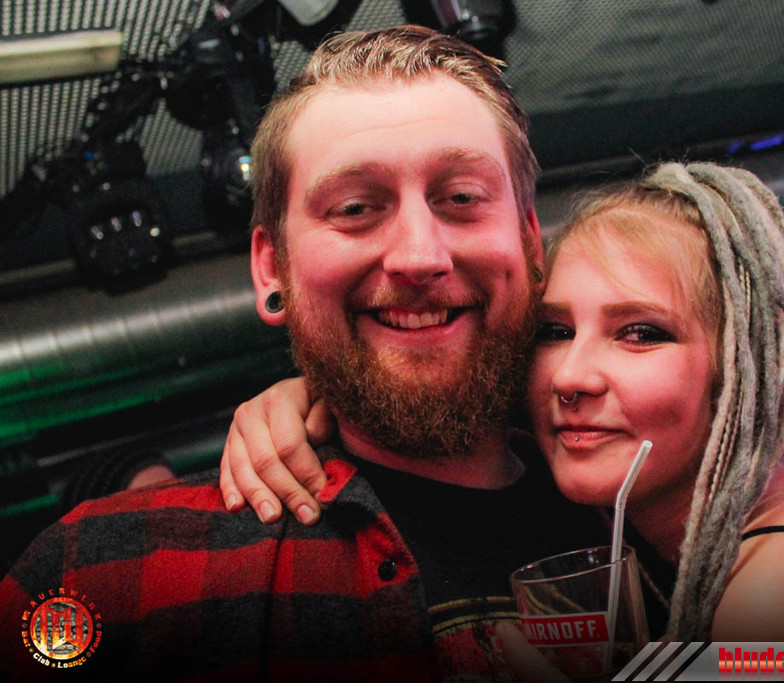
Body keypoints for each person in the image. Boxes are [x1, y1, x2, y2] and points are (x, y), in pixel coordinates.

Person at [0, 26, 608, 681]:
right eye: (354, 207)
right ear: (272, 268)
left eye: (462, 198)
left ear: (530, 242)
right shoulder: (102, 574)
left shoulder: (649, 520)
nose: (419, 256)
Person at [222, 163, 784, 644]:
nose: (571, 375)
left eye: (641, 333)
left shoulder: (783, 593)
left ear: (747, 370)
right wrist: (316, 392)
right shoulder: (699, 519)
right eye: (555, 331)